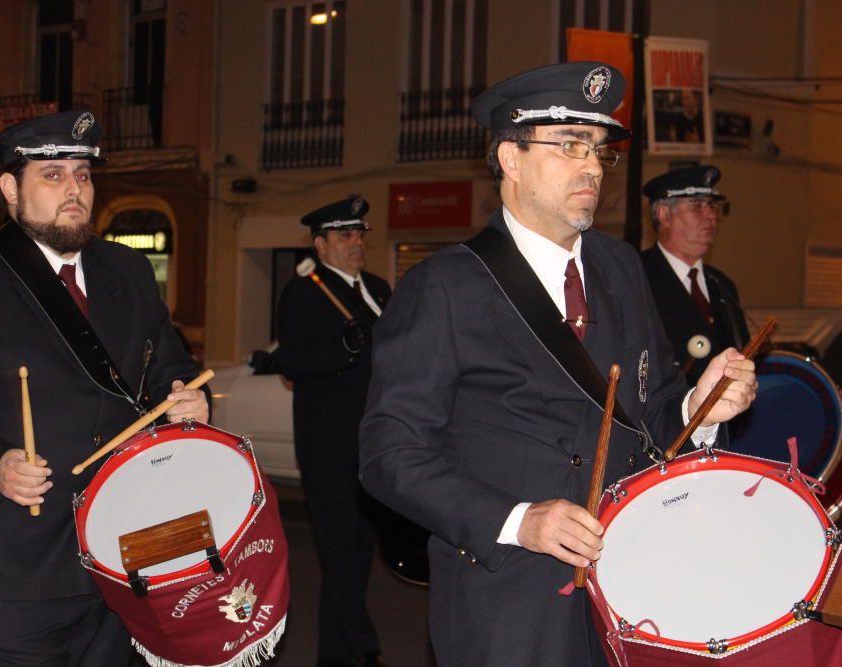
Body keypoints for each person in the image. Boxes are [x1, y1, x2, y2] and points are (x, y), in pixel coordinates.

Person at [358, 61, 757, 667]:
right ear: (510, 159)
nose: (593, 166)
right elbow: (390, 455)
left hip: (632, 584)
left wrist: (700, 409)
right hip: (510, 599)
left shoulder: (621, 268)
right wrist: (518, 520)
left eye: (598, 149)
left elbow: (648, 411)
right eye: (570, 145)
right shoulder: (445, 286)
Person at [0, 111, 209, 666]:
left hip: (121, 550)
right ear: (11, 189)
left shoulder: (128, 270)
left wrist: (185, 401)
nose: (73, 190)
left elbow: (167, 368)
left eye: (82, 175)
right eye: (52, 176)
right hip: (12, 558)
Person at [275, 196, 390, 667]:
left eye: (359, 234)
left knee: (360, 553)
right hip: (329, 447)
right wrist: (342, 348)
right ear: (320, 244)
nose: (356, 242)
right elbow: (292, 363)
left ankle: (335, 655)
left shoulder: (380, 290)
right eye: (345, 235)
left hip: (374, 444)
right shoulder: (304, 292)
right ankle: (363, 649)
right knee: (339, 552)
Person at [641, 165, 748, 384]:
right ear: (663, 214)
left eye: (711, 206)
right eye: (697, 206)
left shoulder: (721, 285)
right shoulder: (637, 276)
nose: (710, 215)